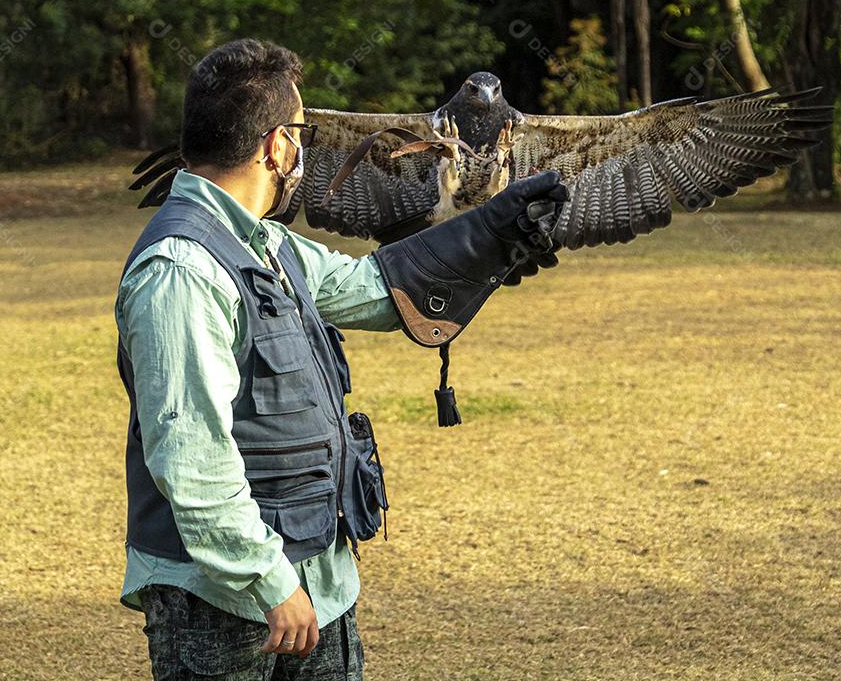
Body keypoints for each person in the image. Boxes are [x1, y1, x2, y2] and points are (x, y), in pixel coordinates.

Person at [115, 38, 565, 680]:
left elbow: (374, 289)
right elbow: (190, 455)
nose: (305, 150)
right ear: (277, 145)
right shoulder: (182, 271)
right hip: (227, 596)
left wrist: (492, 231)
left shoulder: (268, 245)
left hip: (314, 574)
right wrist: (269, 581)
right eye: (300, 132)